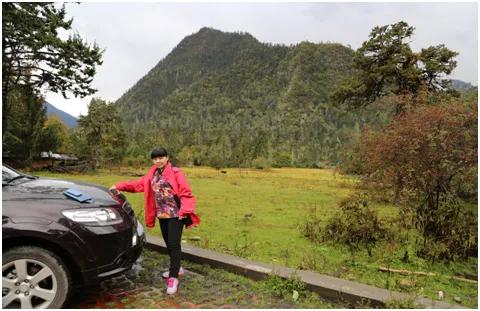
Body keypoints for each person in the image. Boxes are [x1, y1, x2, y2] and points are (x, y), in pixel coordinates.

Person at [110, 147, 200, 295]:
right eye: (155, 158)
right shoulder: (152, 174)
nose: (158, 161)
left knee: (173, 244)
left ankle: (173, 277)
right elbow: (138, 185)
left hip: (177, 214)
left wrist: (185, 211)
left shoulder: (176, 173)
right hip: (162, 215)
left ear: (167, 158)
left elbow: (185, 193)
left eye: (161, 157)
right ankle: (177, 268)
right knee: (169, 244)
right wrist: (119, 186)